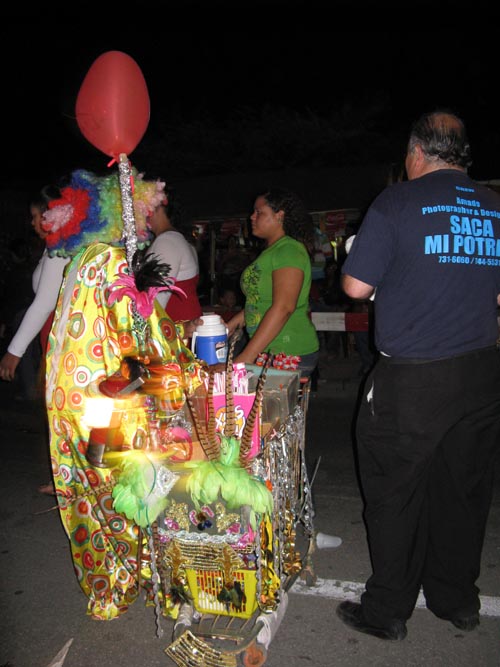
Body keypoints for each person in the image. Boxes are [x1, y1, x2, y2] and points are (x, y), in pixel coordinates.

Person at [337, 110, 500, 641]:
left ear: (416, 152)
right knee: (463, 490)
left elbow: (357, 287)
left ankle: (387, 610)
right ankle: (458, 601)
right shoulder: (496, 206)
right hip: (480, 373)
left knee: (394, 491)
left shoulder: (398, 201)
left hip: (412, 379)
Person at [225, 187, 319, 379]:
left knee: (269, 409)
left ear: (279, 216)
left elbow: (284, 306)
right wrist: (233, 323)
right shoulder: (274, 251)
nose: (252, 217)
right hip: (269, 350)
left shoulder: (289, 251)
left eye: (259, 212)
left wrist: (246, 357)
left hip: (287, 349)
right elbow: (261, 300)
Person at [146, 186, 202, 321]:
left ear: (158, 207)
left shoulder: (167, 241)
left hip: (174, 330)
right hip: (180, 326)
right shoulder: (175, 239)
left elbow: (157, 299)